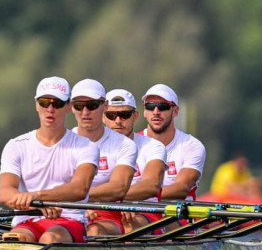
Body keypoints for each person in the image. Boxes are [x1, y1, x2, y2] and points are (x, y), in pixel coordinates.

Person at [0, 76, 99, 244]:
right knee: (17, 239)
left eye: (57, 103)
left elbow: (79, 189)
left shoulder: (85, 147)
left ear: (69, 107)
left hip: (69, 221)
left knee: (50, 238)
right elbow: (5, 193)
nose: (50, 109)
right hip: (27, 221)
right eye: (45, 102)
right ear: (37, 105)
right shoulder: (15, 145)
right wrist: (36, 204)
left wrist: (38, 196)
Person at [66, 79, 138, 238]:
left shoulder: (124, 144)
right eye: (79, 106)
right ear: (71, 107)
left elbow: (118, 189)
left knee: (93, 231)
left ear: (104, 106)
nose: (85, 112)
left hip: (108, 215)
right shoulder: (62, 143)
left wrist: (80, 198)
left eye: (92, 105)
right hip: (65, 211)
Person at [93, 88, 167, 234]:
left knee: (131, 227)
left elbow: (151, 186)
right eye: (111, 115)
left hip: (143, 211)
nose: (118, 121)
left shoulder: (153, 146)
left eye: (125, 115)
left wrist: (110, 197)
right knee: (93, 230)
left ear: (135, 116)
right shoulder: (91, 147)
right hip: (102, 210)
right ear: (103, 117)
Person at [141, 84, 205, 201]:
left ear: (175, 111)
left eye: (163, 106)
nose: (156, 112)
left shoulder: (192, 145)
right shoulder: (131, 144)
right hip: (140, 214)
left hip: (177, 216)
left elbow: (182, 188)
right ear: (145, 111)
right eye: (150, 106)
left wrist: (142, 197)